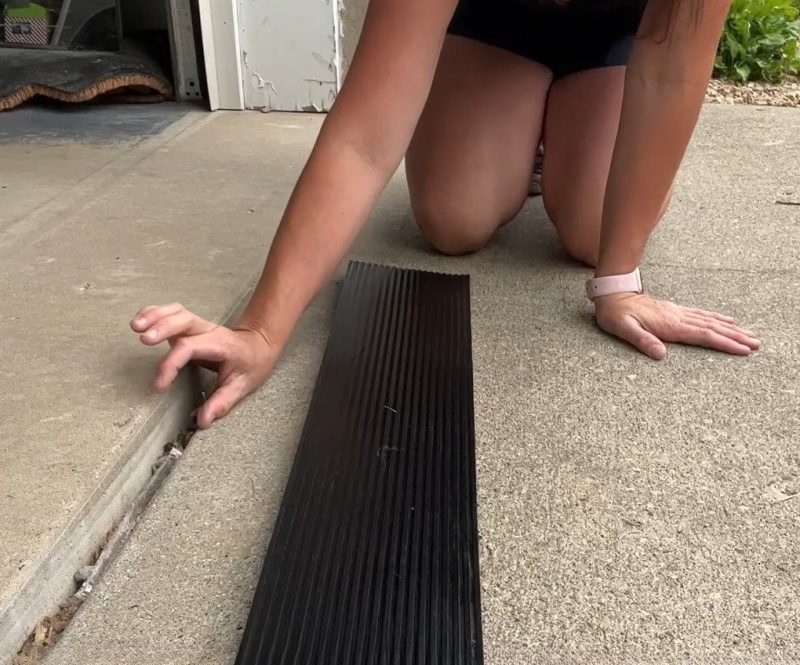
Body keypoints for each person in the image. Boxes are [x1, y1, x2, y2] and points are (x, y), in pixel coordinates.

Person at [131, 0, 761, 429]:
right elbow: (364, 136)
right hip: (492, 28)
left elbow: (671, 79)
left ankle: (556, 136)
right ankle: (528, 135)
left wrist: (621, 282)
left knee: (596, 232)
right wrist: (262, 330)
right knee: (455, 219)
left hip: (621, 43)